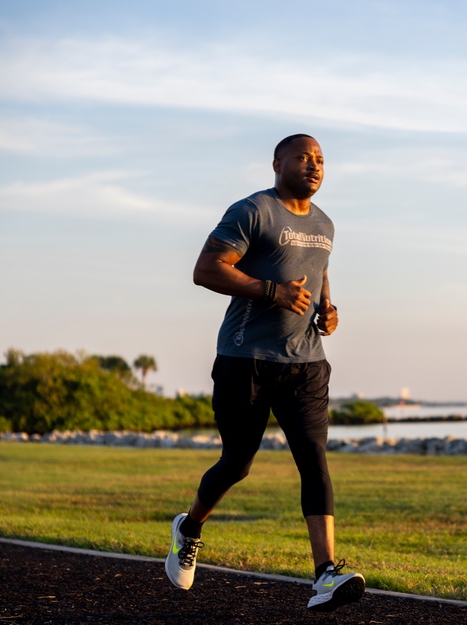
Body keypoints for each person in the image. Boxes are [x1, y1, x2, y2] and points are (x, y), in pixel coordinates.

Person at [165, 134, 365, 612]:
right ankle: (189, 527)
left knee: (314, 459)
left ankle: (325, 575)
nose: (315, 165)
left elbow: (318, 269)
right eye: (304, 157)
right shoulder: (252, 210)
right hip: (245, 359)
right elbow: (206, 269)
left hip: (306, 363)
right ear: (277, 163)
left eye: (321, 159)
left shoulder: (325, 224)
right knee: (237, 463)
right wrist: (272, 292)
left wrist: (327, 306)